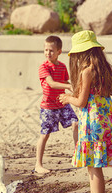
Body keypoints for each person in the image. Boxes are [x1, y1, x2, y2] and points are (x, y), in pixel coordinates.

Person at [59, 30, 112, 193]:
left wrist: (68, 98)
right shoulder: (103, 68)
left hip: (92, 122)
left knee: (93, 166)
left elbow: (82, 102)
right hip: (103, 120)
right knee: (94, 165)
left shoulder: (87, 71)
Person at [35, 35, 78, 174]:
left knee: (76, 123)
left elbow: (67, 81)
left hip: (62, 102)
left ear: (59, 51)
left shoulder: (63, 67)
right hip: (48, 107)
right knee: (45, 134)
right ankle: (38, 165)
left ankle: (78, 155)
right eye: (46, 50)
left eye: (51, 50)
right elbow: (52, 83)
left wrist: (73, 88)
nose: (48, 53)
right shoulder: (44, 67)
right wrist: (69, 86)